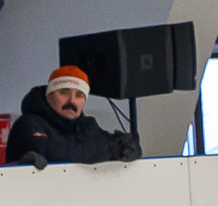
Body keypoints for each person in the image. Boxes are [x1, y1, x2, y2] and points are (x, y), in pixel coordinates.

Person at [6, 65, 138, 167]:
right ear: (49, 95)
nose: (72, 101)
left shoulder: (87, 125)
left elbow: (122, 147)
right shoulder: (27, 123)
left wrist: (132, 149)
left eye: (79, 95)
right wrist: (110, 147)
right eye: (64, 93)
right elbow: (57, 155)